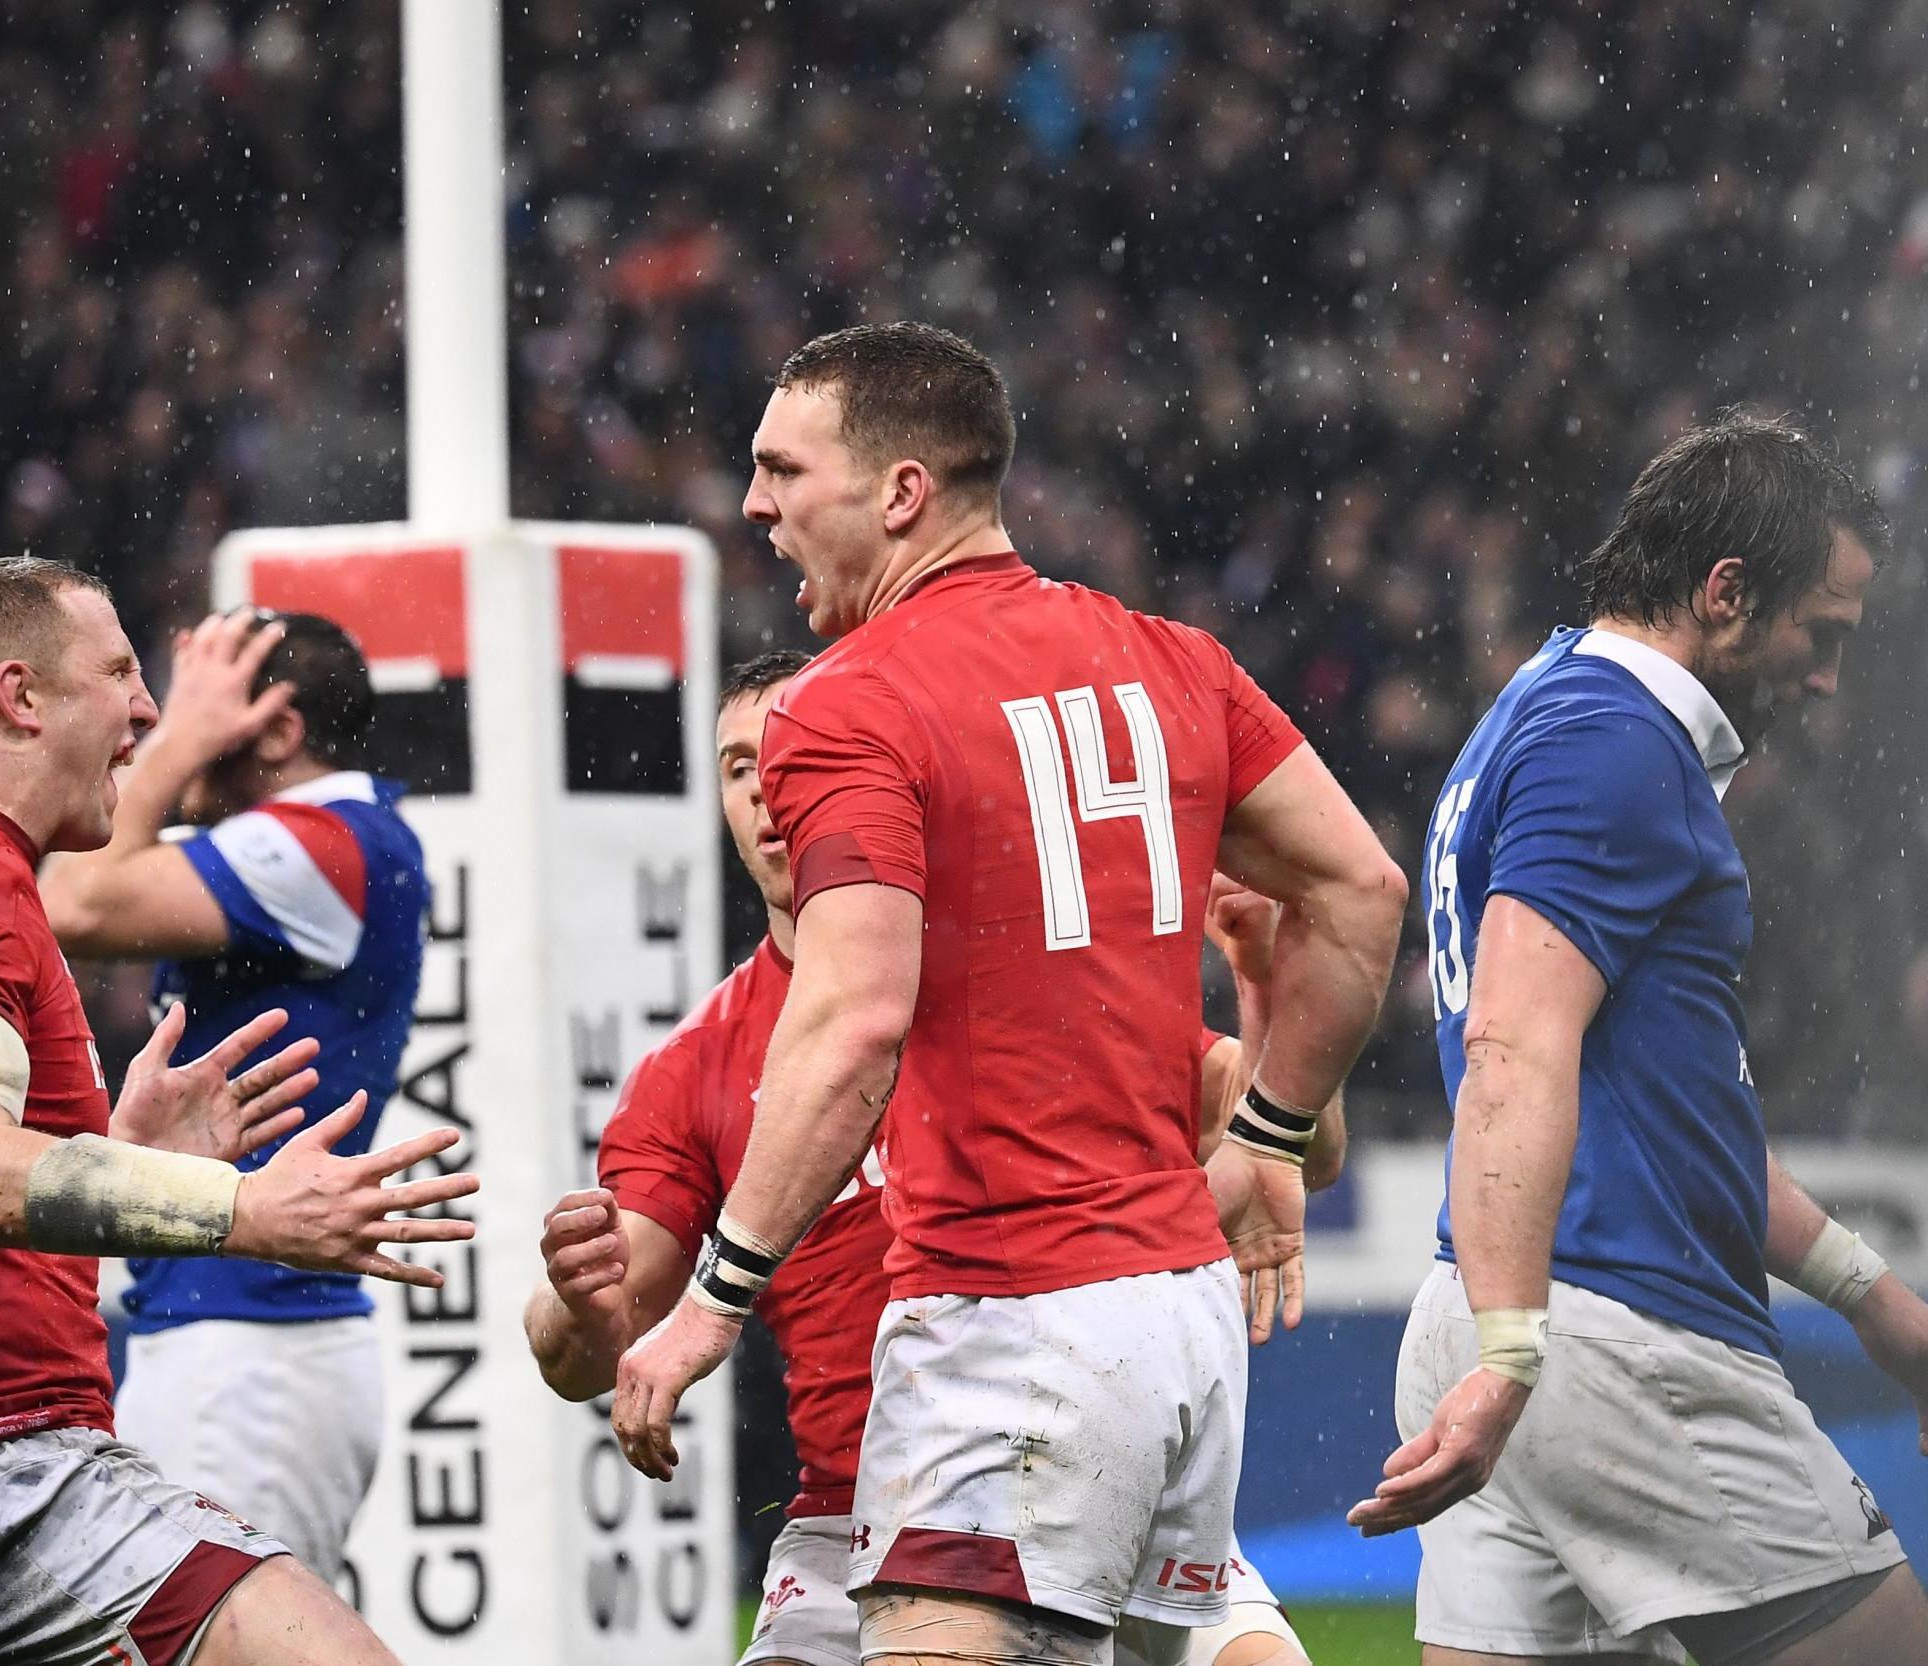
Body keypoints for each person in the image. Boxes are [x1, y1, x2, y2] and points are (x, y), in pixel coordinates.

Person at [611, 323, 1407, 1665]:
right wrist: (1271, 1134)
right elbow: (1362, 890)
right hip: (1179, 1320)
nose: (753, 503)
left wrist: (713, 1301)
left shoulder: (845, 701)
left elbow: (855, 1021)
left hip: (1009, 1315)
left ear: (900, 491)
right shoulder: (1170, 660)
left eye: (782, 470)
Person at [530, 649, 1344, 1666]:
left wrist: (1262, 989)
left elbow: (1301, 1154)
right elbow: (585, 1351)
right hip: (853, 1509)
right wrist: (577, 1305)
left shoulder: (1025, 974)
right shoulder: (692, 1069)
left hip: (1081, 1461)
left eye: (789, 755)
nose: (768, 788)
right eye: (739, 766)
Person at [0, 556, 474, 1666]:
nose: (147, 711)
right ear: (20, 696)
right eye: (121, 672)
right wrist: (242, 1207)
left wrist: (120, 1154)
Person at [1347, 413, 1928, 1665]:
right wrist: (1518, 1353)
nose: (1825, 679)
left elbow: (1675, 1118)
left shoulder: (1538, 708)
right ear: (1725, 592)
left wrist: (1875, 1303)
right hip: (1617, 1329)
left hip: (1492, 1307)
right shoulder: (1614, 743)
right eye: (1819, 634)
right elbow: (1510, 1045)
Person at [39, 607, 426, 1580]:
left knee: (210, 1636)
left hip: (253, 1350)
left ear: (280, 729)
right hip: (234, 1336)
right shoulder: (316, 841)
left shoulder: (327, 841)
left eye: (197, 701)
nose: (155, 724)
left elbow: (69, 901)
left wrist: (175, 745)